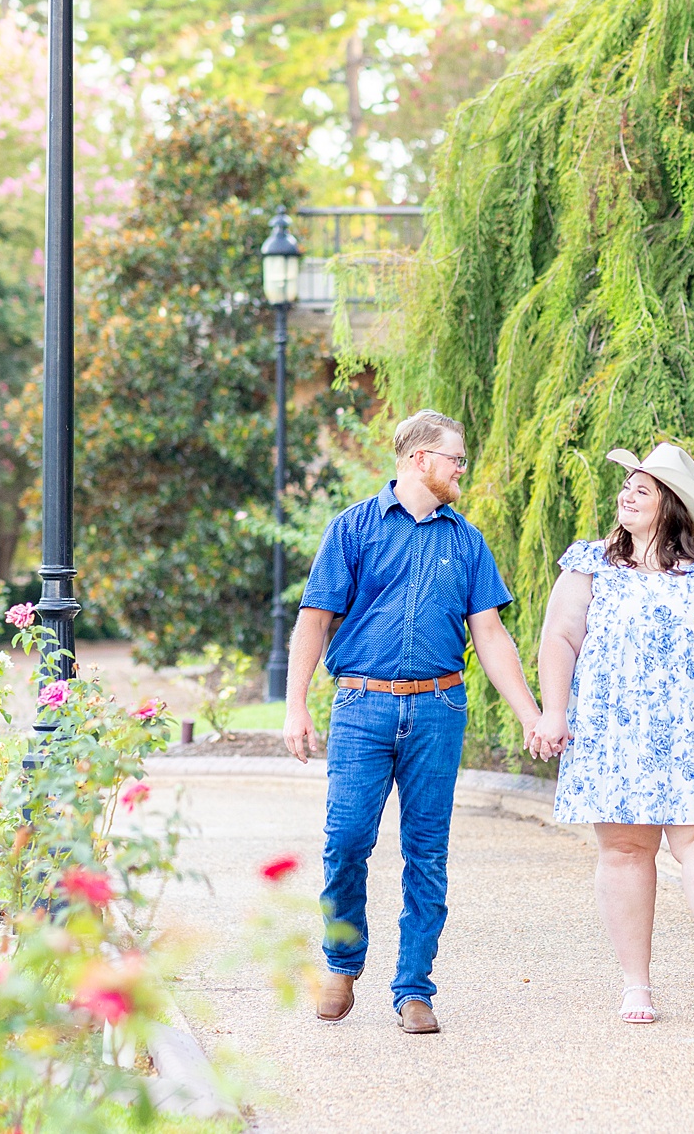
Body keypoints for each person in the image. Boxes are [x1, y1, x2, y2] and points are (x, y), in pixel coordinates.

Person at [283, 409, 541, 1034]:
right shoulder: (353, 529)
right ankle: (342, 961)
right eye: (455, 458)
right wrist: (295, 707)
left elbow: (491, 635)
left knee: (427, 853)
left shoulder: (466, 541)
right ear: (420, 459)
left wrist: (531, 714)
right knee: (346, 842)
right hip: (361, 705)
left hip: (438, 707)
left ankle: (414, 989)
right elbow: (314, 621)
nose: (462, 469)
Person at [530, 442, 694, 1026]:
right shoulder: (590, 562)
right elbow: (559, 637)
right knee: (627, 851)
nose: (625, 496)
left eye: (642, 488)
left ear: (672, 504)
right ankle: (637, 985)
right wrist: (554, 712)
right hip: (614, 729)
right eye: (626, 487)